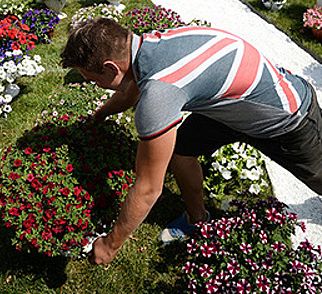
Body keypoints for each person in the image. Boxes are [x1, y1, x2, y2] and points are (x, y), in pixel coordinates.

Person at [59, 18, 322, 266]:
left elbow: (149, 188)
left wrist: (110, 245)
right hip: (231, 107)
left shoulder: (160, 93)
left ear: (110, 68)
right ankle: (198, 219)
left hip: (288, 118)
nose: (94, 85)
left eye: (93, 80)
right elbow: (130, 91)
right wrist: (100, 115)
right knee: (181, 151)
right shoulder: (148, 47)